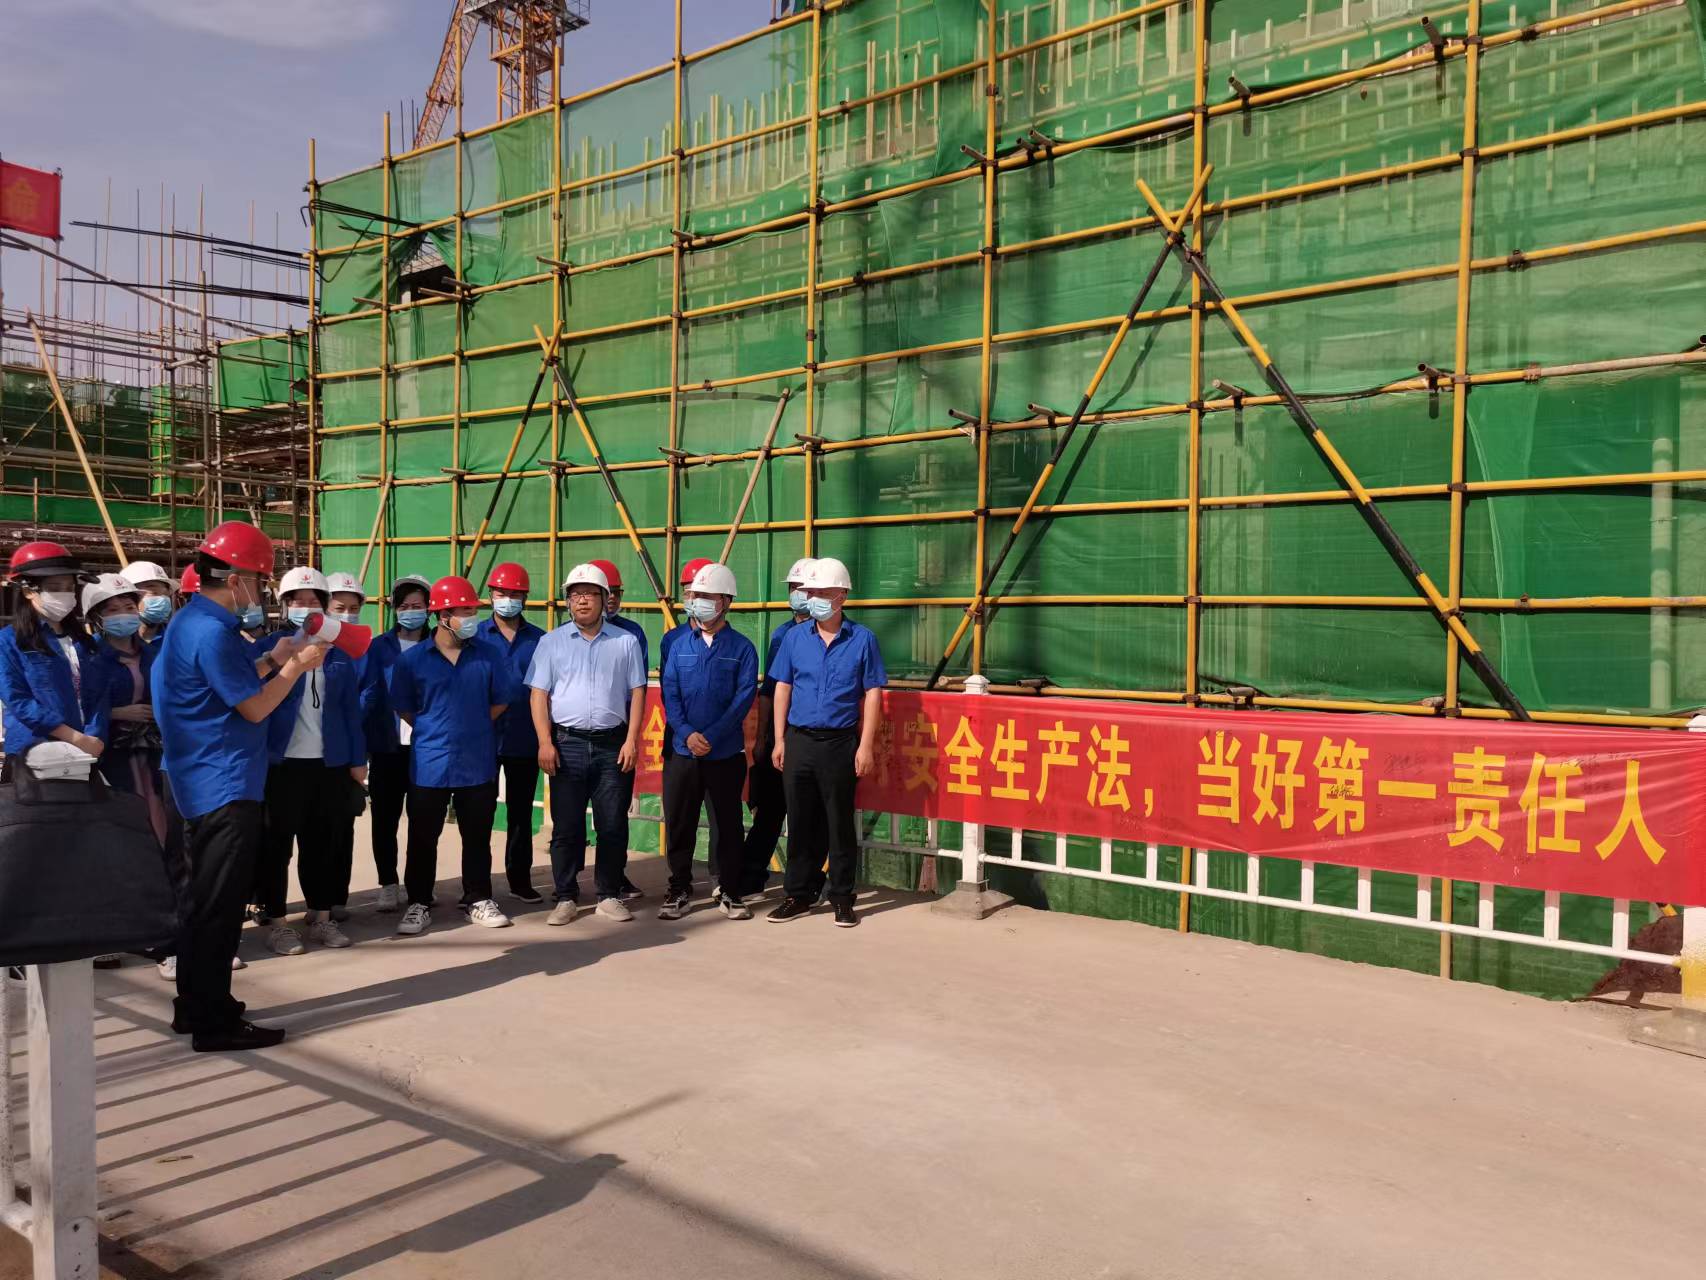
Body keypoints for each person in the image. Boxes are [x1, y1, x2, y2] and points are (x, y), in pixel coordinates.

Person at [154, 520, 326, 1051]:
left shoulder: (193, 623)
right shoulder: (213, 631)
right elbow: (253, 707)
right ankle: (214, 1023)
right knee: (219, 908)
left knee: (202, 902)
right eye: (259, 580)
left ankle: (197, 1006)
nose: (261, 591)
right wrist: (295, 669)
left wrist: (272, 658)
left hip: (201, 778)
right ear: (234, 580)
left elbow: (225, 682)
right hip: (224, 783)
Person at [389, 575, 517, 937]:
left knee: (477, 835)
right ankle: (418, 902)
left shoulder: (488, 655)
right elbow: (405, 707)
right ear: (443, 616)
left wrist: (472, 724)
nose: (471, 617)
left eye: (472, 610)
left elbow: (501, 700)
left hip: (477, 760)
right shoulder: (412, 661)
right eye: (464, 611)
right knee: (422, 836)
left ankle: (478, 898)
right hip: (429, 762)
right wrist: (437, 728)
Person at [766, 556, 886, 928]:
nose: (814, 599)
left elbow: (873, 693)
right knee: (800, 822)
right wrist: (779, 739)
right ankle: (798, 894)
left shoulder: (862, 639)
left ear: (842, 595)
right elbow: (782, 687)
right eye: (811, 592)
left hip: (839, 743)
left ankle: (842, 897)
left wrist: (865, 746)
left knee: (839, 824)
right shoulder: (794, 638)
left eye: (822, 593)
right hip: (799, 739)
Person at [251, 566, 366, 955]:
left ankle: (321, 916)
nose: (305, 606)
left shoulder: (338, 653)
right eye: (297, 600)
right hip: (281, 764)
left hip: (328, 763)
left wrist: (357, 759)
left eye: (313, 600)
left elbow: (350, 711)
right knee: (276, 846)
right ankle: (278, 922)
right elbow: (252, 699)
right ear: (284, 605)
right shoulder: (272, 648)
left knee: (322, 844)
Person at [527, 562, 646, 925]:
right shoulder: (551, 643)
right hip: (568, 744)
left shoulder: (625, 642)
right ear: (567, 601)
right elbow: (538, 695)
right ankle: (565, 896)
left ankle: (608, 894)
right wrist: (544, 742)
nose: (582, 600)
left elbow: (637, 692)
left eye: (590, 594)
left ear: (605, 599)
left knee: (612, 825)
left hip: (612, 746)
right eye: (575, 594)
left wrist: (631, 741)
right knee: (566, 827)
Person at [659, 563, 757, 921]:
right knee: (679, 823)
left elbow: (743, 698)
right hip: (682, 751)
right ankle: (679, 888)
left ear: (726, 602)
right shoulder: (678, 645)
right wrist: (686, 733)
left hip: (725, 752)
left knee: (727, 825)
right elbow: (670, 694)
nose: (697, 602)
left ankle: (730, 890)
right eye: (694, 595)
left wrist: (712, 736)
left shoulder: (742, 648)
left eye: (706, 596)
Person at [741, 556, 817, 902]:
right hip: (780, 734)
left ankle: (810, 882)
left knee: (811, 815)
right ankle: (751, 876)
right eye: (793, 588)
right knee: (770, 811)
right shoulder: (782, 634)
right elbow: (770, 689)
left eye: (803, 588)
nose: (797, 594)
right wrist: (762, 738)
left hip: (812, 735)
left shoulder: (834, 632)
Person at [361, 573, 433, 911]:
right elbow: (368, 694)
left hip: (426, 748)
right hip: (387, 747)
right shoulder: (378, 647)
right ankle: (388, 883)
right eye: (404, 606)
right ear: (394, 609)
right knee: (384, 821)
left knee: (424, 822)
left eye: (417, 606)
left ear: (429, 609)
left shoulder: (438, 646)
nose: (410, 612)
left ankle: (421, 885)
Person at [0, 542, 100, 780]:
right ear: (28, 590)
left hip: (87, 752)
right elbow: (19, 700)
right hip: (35, 753)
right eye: (55, 588)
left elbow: (98, 694)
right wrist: (74, 737)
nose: (65, 594)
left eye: (70, 587)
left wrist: (95, 735)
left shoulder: (84, 642)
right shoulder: (9, 642)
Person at [479, 562, 547, 905]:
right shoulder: (474, 635)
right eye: (502, 593)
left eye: (515, 594)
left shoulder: (540, 640)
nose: (508, 599)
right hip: (482, 740)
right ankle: (476, 886)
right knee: (480, 814)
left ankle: (520, 880)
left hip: (525, 737)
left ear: (525, 598)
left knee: (521, 814)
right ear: (491, 595)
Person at [589, 557, 648, 902]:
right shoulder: (565, 636)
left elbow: (636, 688)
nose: (611, 598)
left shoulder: (631, 634)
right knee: (571, 817)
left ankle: (614, 876)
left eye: (616, 592)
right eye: (605, 591)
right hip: (578, 736)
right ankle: (566, 883)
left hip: (617, 733)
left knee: (614, 814)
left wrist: (630, 737)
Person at [120, 559, 176, 647]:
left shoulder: (178, 638)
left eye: (165, 594)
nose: (161, 600)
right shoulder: (109, 643)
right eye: (152, 593)